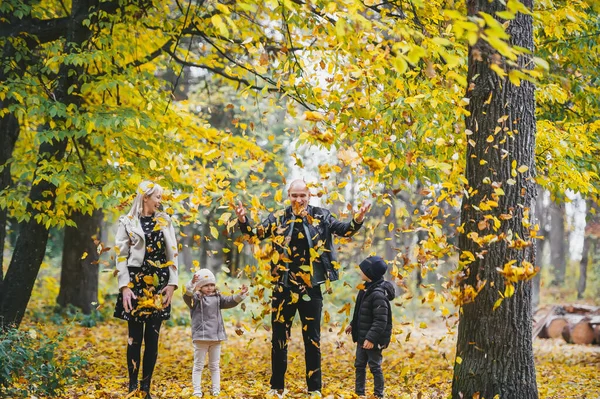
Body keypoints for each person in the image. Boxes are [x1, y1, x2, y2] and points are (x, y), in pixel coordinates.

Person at [235, 179, 371, 398]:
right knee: (279, 339)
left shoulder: (321, 216)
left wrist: (359, 218)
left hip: (311, 288)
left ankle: (314, 388)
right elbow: (255, 233)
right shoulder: (278, 217)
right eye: (294, 195)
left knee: (313, 340)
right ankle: (277, 387)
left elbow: (345, 230)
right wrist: (243, 219)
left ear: (309, 196)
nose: (298, 199)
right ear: (288, 196)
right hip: (283, 287)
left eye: (302, 195)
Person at [113, 181, 179, 399]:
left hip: (159, 284)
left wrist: (171, 284)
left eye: (160, 197)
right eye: (157, 197)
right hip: (135, 283)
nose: (160, 201)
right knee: (134, 337)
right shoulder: (128, 222)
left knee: (153, 337)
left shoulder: (165, 221)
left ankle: (145, 389)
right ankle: (132, 388)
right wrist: (124, 287)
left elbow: (173, 254)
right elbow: (121, 256)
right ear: (145, 198)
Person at [183, 268, 248, 398]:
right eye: (206, 285)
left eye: (212, 284)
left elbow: (229, 301)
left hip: (216, 337)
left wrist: (240, 295)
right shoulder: (195, 299)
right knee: (198, 365)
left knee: (214, 366)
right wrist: (191, 284)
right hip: (201, 337)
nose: (209, 287)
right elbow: (187, 296)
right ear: (199, 286)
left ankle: (216, 389)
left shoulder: (218, 298)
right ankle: (197, 390)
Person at [345, 256, 395, 399]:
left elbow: (381, 320)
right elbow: (360, 311)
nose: (360, 272)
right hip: (362, 336)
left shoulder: (378, 295)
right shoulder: (364, 289)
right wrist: (353, 324)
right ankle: (359, 393)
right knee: (359, 365)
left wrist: (371, 338)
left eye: (363, 270)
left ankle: (378, 395)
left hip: (374, 339)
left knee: (374, 367)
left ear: (370, 274)